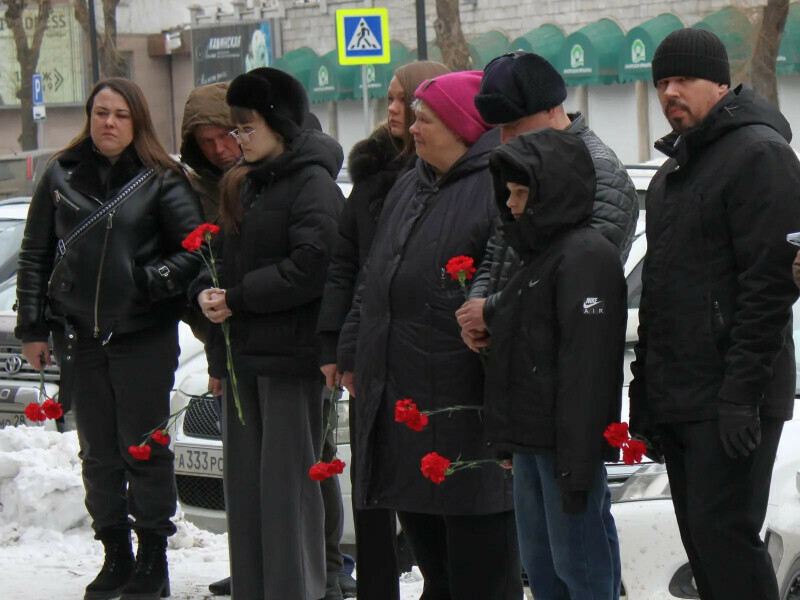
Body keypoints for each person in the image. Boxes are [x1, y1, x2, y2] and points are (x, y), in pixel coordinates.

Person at [15, 78, 204, 600]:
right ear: (89, 116)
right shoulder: (61, 172)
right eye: (101, 112)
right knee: (97, 453)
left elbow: (195, 249)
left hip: (143, 335)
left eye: (120, 114)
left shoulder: (161, 178)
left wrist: (147, 281)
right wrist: (32, 327)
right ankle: (115, 553)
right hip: (82, 336)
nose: (109, 123)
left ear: (136, 120)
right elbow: (35, 253)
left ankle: (153, 558)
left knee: (143, 449)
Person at [629, 29, 800, 600]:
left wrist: (741, 395)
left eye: (683, 79)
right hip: (682, 393)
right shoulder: (671, 174)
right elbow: (658, 291)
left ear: (721, 84)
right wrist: (644, 392)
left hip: (734, 394)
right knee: (702, 545)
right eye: (661, 82)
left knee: (726, 539)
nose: (669, 93)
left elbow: (770, 287)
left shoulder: (759, 155)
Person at [337, 71, 522, 600]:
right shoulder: (410, 182)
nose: (412, 128)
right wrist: (352, 347)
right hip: (405, 403)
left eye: (426, 119)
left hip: (464, 408)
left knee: (479, 572)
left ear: (462, 127)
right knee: (435, 568)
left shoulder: (496, 187)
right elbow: (374, 275)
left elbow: (504, 285)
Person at [188, 67, 343, 600]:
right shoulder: (245, 182)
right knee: (247, 489)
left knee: (286, 489)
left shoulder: (313, 184)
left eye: (247, 128)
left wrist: (238, 297)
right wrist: (207, 294)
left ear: (280, 124)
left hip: (291, 361)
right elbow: (220, 258)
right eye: (235, 129)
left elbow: (313, 266)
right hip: (244, 359)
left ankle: (294, 589)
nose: (238, 140)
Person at [316, 59, 449, 600]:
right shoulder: (371, 173)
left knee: (424, 475)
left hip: (421, 348)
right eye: (390, 99)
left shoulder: (447, 176)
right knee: (370, 479)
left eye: (404, 100)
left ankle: (435, 580)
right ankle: (376, 587)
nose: (393, 110)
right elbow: (347, 264)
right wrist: (335, 344)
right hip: (369, 343)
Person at [483, 128, 626, 599]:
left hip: (564, 447)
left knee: (578, 564)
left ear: (552, 191)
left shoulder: (584, 257)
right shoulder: (540, 257)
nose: (511, 204)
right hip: (535, 442)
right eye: (509, 193)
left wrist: (577, 462)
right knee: (543, 566)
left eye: (521, 193)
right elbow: (520, 356)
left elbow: (587, 369)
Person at [457, 51, 638, 359]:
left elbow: (583, 278)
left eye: (514, 124)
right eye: (498, 128)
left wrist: (490, 312)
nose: (504, 139)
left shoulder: (599, 171)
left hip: (561, 361)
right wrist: (476, 314)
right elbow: (496, 250)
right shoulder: (521, 163)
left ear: (552, 109)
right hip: (513, 351)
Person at [179, 82, 241, 223]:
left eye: (226, 135)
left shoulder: (271, 179)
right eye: (207, 141)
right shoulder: (189, 191)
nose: (219, 149)